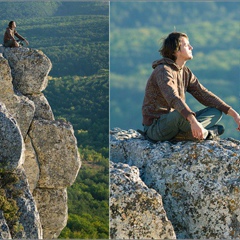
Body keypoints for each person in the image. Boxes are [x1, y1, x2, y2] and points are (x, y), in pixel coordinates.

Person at [141, 32, 240, 142]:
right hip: (156, 128)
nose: (191, 47)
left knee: (216, 111)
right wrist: (193, 121)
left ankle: (187, 134)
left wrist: (234, 114)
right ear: (176, 50)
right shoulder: (163, 70)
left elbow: (204, 94)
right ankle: (204, 133)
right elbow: (173, 98)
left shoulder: (185, 72)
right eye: (186, 45)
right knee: (179, 115)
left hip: (178, 123)